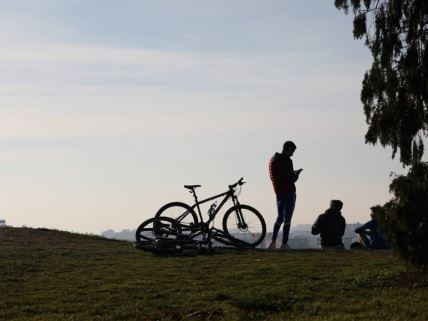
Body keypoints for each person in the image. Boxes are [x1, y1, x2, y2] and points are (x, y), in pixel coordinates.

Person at [267, 141, 303, 249]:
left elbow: (280, 175)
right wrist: (296, 174)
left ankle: (273, 242)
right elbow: (290, 178)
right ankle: (284, 243)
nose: (292, 154)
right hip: (289, 192)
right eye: (292, 151)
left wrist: (292, 173)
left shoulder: (273, 159)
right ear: (287, 149)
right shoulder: (287, 161)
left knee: (279, 217)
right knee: (288, 218)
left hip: (278, 192)